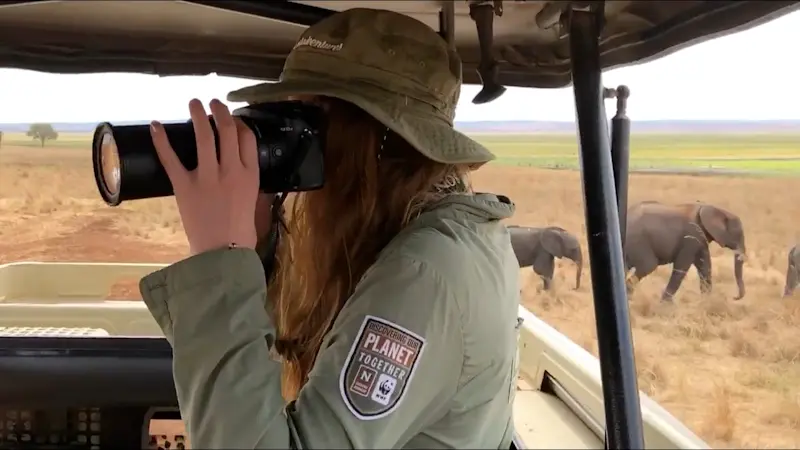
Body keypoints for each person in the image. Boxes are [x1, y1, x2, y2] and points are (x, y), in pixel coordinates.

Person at [139, 7, 521, 449]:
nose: (292, 145)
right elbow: (288, 352)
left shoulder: (423, 273)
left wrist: (219, 257)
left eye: (308, 124)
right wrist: (256, 245)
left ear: (372, 139)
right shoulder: (441, 232)